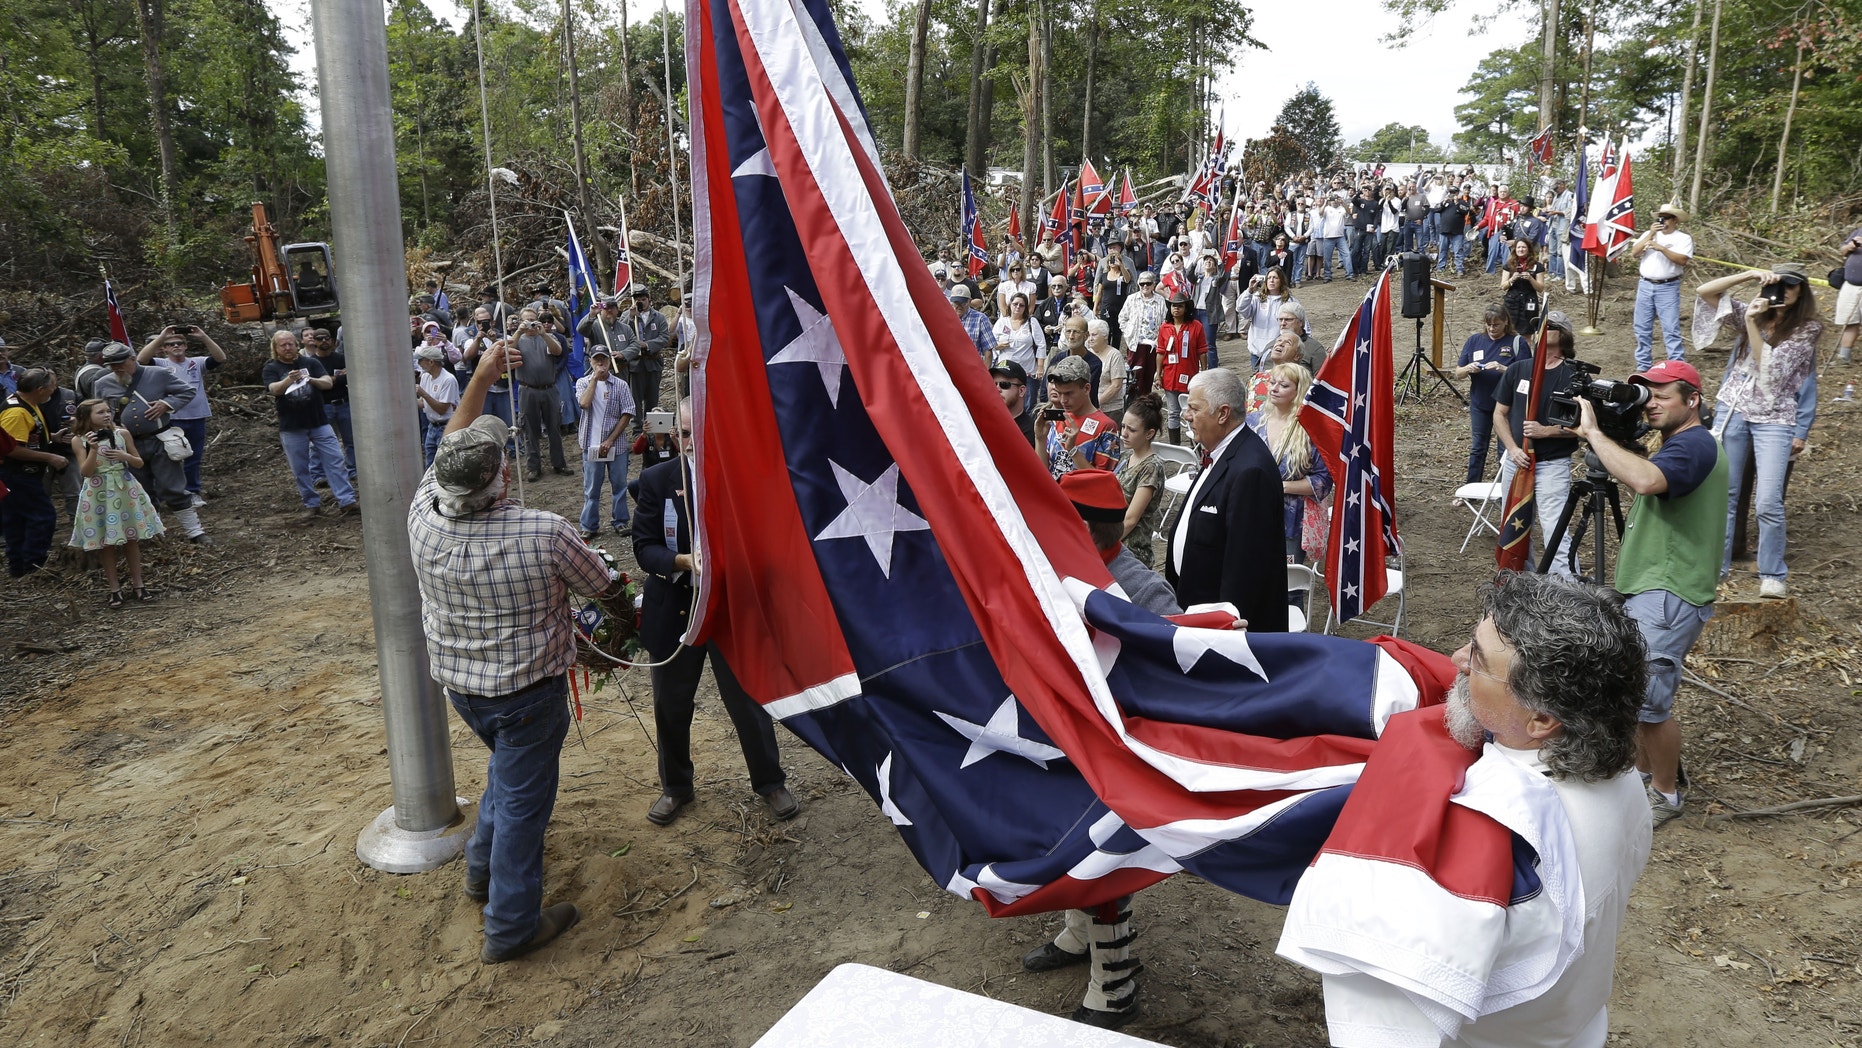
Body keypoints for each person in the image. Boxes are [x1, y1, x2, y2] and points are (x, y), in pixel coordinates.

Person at [1324, 571, 1652, 1045]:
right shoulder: (1620, 774)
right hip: (1574, 1027)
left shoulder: (1493, 826)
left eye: (1478, 660)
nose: (1456, 660)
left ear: (1541, 719)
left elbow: (1390, 1010)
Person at [409, 339, 615, 964]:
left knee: (506, 777)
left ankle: (479, 873)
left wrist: (478, 375)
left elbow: (455, 433)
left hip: (463, 689)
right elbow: (604, 588)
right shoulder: (544, 532)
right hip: (529, 696)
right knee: (525, 806)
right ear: (501, 476)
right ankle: (509, 928)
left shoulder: (423, 513)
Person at [1573, 360, 1726, 829]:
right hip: (1653, 587)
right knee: (1638, 694)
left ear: (1691, 400)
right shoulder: (1676, 444)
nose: (1651, 403)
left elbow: (1646, 481)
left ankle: (1666, 793)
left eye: (1662, 395)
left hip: (1670, 591)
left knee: (1650, 705)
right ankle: (1642, 776)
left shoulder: (1697, 444)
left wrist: (1595, 435)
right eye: (1647, 394)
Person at [632, 400, 798, 827]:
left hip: (730, 610)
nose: (689, 442)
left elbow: (767, 540)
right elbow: (643, 548)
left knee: (747, 701)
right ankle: (676, 788)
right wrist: (685, 561)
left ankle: (769, 781)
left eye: (697, 433)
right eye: (682, 434)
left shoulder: (739, 477)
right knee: (671, 704)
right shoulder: (655, 478)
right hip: (676, 609)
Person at [1694, 264, 1822, 598]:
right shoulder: (1753, 311)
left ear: (1801, 292)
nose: (1783, 291)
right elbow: (1705, 292)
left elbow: (1772, 370)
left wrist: (1751, 323)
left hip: (1775, 417)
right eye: (1778, 284)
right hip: (1733, 410)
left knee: (1768, 499)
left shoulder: (1807, 329)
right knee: (1727, 494)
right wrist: (1749, 275)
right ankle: (1716, 566)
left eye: (1791, 286)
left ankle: (1772, 573)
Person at [1166, 368, 1287, 631]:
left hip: (1222, 629)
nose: (1186, 415)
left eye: (1194, 409)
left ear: (1222, 414)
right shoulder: (1219, 451)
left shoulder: (1250, 471)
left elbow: (1245, 569)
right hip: (1195, 610)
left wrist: (1224, 629)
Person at [92, 342, 210, 544]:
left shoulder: (157, 374)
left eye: (121, 363)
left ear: (132, 359)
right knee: (140, 490)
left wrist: (167, 404)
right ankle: (153, 534)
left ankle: (195, 532)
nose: (117, 368)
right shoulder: (102, 383)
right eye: (112, 365)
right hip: (128, 445)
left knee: (172, 488)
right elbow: (99, 411)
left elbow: (187, 391)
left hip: (159, 440)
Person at [1493, 315, 1581, 574]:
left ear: (1565, 335)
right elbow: (1499, 413)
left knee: (1555, 529)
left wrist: (1548, 431)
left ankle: (1566, 591)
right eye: (1540, 327)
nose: (1544, 331)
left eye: (1552, 327)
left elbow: (1584, 426)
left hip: (1552, 464)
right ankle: (1521, 584)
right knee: (1515, 526)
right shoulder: (1518, 369)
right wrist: (1512, 448)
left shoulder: (1574, 375)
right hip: (1516, 462)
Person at [67, 399, 164, 605]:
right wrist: (93, 449)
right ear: (87, 417)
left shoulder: (122, 434)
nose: (106, 415)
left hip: (124, 488)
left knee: (131, 538)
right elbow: (85, 472)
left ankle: (139, 584)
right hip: (98, 491)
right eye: (100, 412)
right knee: (106, 542)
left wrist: (124, 455)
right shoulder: (79, 439)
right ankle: (114, 588)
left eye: (107, 411)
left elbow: (139, 462)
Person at [260, 329, 358, 521]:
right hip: (292, 426)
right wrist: (289, 379)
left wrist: (310, 379)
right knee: (300, 468)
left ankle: (347, 501)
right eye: (283, 345)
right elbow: (274, 390)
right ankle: (312, 504)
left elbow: (327, 383)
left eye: (290, 343)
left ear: (297, 344)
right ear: (276, 348)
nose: (288, 348)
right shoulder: (271, 368)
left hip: (319, 422)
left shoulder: (310, 362)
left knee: (335, 460)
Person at [1244, 363, 1332, 564]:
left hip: (1291, 522)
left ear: (1298, 391)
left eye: (1283, 385)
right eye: (1272, 383)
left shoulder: (1310, 431)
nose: (1274, 389)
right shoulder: (1252, 423)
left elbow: (1323, 480)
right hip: (1252, 514)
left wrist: (1281, 486)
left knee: (1290, 587)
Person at [1064, 467, 1180, 619]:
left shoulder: (1149, 593)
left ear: (1084, 529)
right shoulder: (1062, 564)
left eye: (1060, 521)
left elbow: (1176, 637)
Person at [138, 324, 225, 504]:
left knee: (193, 457)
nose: (176, 346)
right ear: (164, 348)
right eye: (171, 344)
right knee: (171, 456)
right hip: (172, 418)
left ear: (185, 346)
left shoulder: (197, 362)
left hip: (196, 416)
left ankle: (192, 491)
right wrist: (161, 337)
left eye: (179, 343)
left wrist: (203, 336)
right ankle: (168, 493)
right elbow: (141, 359)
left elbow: (220, 358)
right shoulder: (161, 364)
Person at [0, 370, 67, 577]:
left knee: (17, 519)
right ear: (40, 389)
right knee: (42, 517)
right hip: (16, 474)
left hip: (23, 474)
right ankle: (34, 565)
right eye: (52, 386)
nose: (54, 389)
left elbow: (29, 434)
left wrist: (51, 438)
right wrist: (50, 458)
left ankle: (20, 568)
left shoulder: (29, 404)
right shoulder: (16, 412)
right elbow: (11, 449)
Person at [1454, 305, 1531, 484]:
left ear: (1505, 322)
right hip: (1480, 403)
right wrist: (1468, 369)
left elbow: (1527, 374)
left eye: (1496, 325)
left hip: (1507, 406)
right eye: (1488, 324)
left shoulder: (1517, 343)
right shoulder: (1474, 340)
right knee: (1478, 448)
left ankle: (1504, 492)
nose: (1491, 329)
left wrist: (1503, 368)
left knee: (1505, 450)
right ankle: (1471, 488)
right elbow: (1458, 373)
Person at [574, 347, 635, 540]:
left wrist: (610, 440)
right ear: (590, 362)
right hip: (590, 445)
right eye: (596, 360)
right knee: (591, 489)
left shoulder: (621, 385)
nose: (600, 363)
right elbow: (584, 404)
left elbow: (628, 413)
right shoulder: (583, 382)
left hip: (616, 446)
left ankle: (621, 521)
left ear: (609, 361)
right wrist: (594, 380)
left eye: (603, 359)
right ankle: (589, 526)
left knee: (619, 485)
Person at [1630, 203, 1694, 373]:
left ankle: (1676, 365)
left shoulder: (1683, 238)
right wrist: (1651, 234)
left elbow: (1682, 260)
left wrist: (1661, 248)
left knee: (1670, 328)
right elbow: (1634, 252)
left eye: (1665, 218)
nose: (1662, 221)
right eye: (1660, 217)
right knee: (1641, 327)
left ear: (1675, 220)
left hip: (1668, 287)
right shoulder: (1649, 235)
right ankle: (1643, 365)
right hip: (1645, 284)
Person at [508, 307, 570, 480]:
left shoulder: (548, 336)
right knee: (529, 430)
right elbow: (507, 353)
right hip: (527, 389)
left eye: (533, 320)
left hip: (549, 388)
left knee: (554, 428)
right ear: (520, 321)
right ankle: (533, 467)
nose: (530, 324)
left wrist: (543, 334)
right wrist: (519, 332)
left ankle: (559, 463)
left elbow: (558, 352)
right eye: (526, 320)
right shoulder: (518, 339)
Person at [1044, 355, 1122, 478]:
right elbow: (1042, 471)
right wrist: (1039, 438)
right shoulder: (1057, 419)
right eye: (1059, 393)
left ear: (1086, 388)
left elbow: (1102, 481)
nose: (1063, 400)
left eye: (1069, 393)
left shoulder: (1107, 426)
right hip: (1052, 494)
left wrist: (1073, 450)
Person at [1115, 392, 1167, 570]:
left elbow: (1131, 519)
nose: (1124, 433)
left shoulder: (1151, 467)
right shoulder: (1126, 456)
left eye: (1132, 430)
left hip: (1132, 553)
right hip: (1117, 544)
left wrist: (1103, 542)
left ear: (1149, 433)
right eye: (1123, 427)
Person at [616, 284, 670, 433]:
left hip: (652, 361)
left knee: (652, 398)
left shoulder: (658, 317)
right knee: (635, 399)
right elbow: (622, 334)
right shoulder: (628, 315)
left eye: (643, 299)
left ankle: (652, 427)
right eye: (638, 299)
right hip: (635, 364)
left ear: (649, 299)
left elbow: (665, 338)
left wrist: (647, 344)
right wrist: (632, 316)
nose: (641, 302)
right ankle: (637, 429)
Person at [1153, 292, 1205, 445]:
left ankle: (1194, 443)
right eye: (1173, 306)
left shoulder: (1196, 326)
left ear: (1186, 308)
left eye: (1180, 306)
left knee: (1191, 412)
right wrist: (1158, 374)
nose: (1176, 309)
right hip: (1170, 377)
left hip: (1190, 377)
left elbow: (1202, 351)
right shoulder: (1164, 327)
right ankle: (1175, 445)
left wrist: (1204, 372)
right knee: (1173, 413)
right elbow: (1160, 353)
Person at [1235, 267, 1297, 371]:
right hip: (1257, 350)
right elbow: (1241, 308)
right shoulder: (1257, 298)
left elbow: (1299, 323)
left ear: (1281, 280)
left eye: (1275, 278)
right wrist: (1249, 290)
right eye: (1269, 278)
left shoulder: (1289, 301)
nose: (1272, 280)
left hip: (1278, 351)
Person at [1117, 271, 1167, 397]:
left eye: (1148, 283)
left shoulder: (1160, 300)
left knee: (1150, 373)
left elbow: (1165, 321)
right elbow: (1122, 318)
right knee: (1135, 374)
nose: (1145, 286)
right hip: (1136, 343)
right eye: (1142, 283)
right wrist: (1128, 333)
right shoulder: (1131, 299)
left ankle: (1146, 399)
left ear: (1153, 285)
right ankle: (1134, 400)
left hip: (1153, 344)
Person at [415, 344, 459, 467]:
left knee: (445, 464)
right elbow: (423, 403)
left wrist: (423, 393)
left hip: (446, 427)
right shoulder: (425, 377)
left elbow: (442, 409)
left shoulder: (448, 380)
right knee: (430, 464)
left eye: (421, 360)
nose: (418, 363)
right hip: (432, 426)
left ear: (431, 362)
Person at [993, 292, 1047, 384]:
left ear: (1025, 308)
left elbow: (1041, 345)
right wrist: (998, 346)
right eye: (1015, 304)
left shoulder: (1031, 322)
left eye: (1021, 305)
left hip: (1027, 372)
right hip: (1005, 371)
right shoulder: (1001, 322)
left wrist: (1040, 367)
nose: (1018, 307)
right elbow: (990, 345)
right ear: (1010, 304)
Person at [1499, 239, 1547, 336]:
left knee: (1527, 333)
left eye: (1524, 247)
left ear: (1529, 249)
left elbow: (1540, 288)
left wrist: (1530, 278)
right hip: (1511, 303)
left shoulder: (1537, 266)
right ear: (1515, 249)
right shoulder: (1509, 265)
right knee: (1508, 332)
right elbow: (1503, 286)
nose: (1521, 250)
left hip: (1529, 303)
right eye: (1519, 247)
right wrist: (1512, 279)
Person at [1088, 318, 1125, 421]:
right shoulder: (1087, 353)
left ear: (1105, 336)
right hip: (1088, 408)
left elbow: (1116, 385)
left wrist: (1096, 402)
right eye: (1088, 335)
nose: (1090, 338)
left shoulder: (1114, 355)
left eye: (1094, 335)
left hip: (1110, 410)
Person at [1277, 301, 1327, 375]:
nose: (1283, 323)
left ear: (1300, 322)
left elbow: (1321, 380)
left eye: (1288, 319)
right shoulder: (1271, 345)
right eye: (1280, 319)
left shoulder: (1315, 349)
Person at [951, 285, 997, 358]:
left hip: (973, 366)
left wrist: (985, 369)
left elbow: (988, 351)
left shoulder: (980, 318)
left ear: (969, 301)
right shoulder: (946, 317)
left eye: (963, 302)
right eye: (956, 302)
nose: (959, 306)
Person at [1838, 225, 1862, 363]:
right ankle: (1844, 357)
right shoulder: (1859, 230)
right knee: (1849, 321)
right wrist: (1850, 246)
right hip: (1850, 284)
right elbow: (1842, 250)